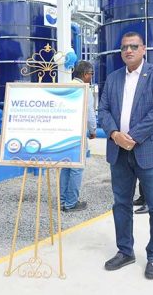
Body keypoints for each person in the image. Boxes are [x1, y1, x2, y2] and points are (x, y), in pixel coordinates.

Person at [98, 31, 153, 279]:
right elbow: (104, 110)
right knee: (121, 204)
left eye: (133, 46)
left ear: (144, 49)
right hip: (118, 152)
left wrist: (132, 137)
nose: (128, 51)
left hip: (150, 150)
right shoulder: (112, 79)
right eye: (124, 48)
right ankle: (125, 251)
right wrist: (114, 134)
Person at [59, 61, 97, 212]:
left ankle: (62, 201)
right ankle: (71, 203)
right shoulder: (84, 89)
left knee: (66, 167)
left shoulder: (66, 86)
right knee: (77, 169)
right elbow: (89, 114)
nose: (91, 77)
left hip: (64, 133)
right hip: (77, 134)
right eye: (91, 74)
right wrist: (93, 130)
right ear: (85, 74)